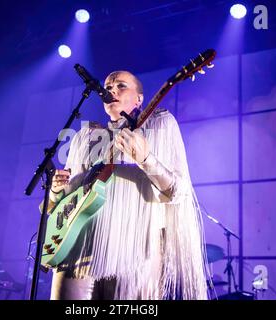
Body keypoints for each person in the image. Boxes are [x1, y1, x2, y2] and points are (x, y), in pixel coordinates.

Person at [46, 70, 208, 300]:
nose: (112, 90)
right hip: (79, 248)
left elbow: (178, 191)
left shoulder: (161, 125)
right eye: (109, 87)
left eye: (121, 86)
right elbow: (67, 201)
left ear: (139, 98)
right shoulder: (86, 136)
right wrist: (55, 190)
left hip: (135, 253)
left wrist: (146, 159)